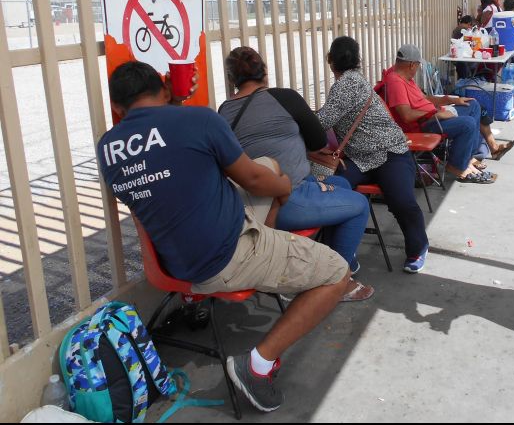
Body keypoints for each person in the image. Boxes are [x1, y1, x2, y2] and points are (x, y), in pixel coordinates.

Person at [99, 61, 350, 412]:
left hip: (173, 262)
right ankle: (256, 366)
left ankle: (258, 251)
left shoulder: (107, 148)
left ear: (116, 107)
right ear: (165, 89)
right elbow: (255, 182)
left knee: (268, 163)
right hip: (227, 255)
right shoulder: (198, 119)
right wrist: (284, 188)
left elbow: (164, 156)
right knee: (337, 272)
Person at [218, 46, 374, 302]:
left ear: (231, 79)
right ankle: (338, 279)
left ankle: (327, 258)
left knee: (342, 184)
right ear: (265, 71)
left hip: (247, 204)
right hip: (286, 198)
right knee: (358, 204)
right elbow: (317, 142)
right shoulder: (285, 97)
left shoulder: (225, 110)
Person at [317, 36, 430, 273]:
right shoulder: (353, 81)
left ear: (329, 60)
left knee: (400, 199)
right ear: (359, 59)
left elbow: (323, 121)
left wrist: (291, 116)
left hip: (389, 152)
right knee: (333, 191)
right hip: (360, 159)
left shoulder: (348, 83)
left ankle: (418, 247)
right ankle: (342, 254)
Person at [384, 44, 514, 183]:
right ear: (412, 65)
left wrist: (448, 100)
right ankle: (457, 167)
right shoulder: (395, 81)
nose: (417, 69)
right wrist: (435, 113)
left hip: (432, 115)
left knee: (473, 105)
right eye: (417, 65)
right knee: (468, 124)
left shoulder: (406, 78)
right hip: (425, 123)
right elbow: (407, 115)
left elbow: (424, 99)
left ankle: (468, 158)